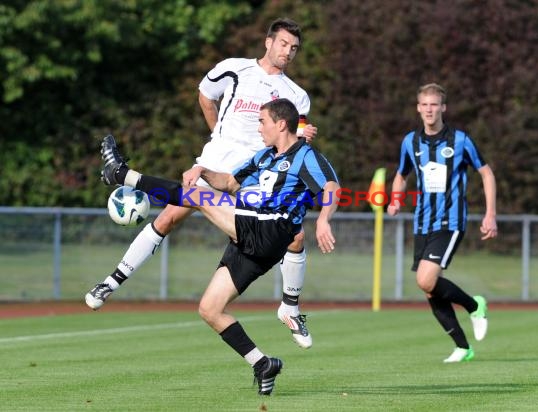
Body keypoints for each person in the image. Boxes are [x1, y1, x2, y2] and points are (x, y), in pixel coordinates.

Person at [85, 18, 318, 349]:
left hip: (249, 180)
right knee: (167, 217)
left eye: (294, 48)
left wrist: (301, 136)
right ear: (268, 42)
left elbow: (292, 142)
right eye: (283, 44)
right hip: (214, 165)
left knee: (294, 236)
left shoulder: (298, 95)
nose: (288, 52)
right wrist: (216, 138)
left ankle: (291, 309)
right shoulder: (234, 69)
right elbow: (205, 97)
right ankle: (111, 282)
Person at [97, 98, 340, 395]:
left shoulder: (305, 155)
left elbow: (331, 187)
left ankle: (121, 174)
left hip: (269, 228)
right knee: (210, 309)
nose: (259, 127)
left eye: (262, 121)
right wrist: (202, 171)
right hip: (250, 239)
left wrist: (324, 219)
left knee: (197, 198)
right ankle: (262, 363)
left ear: (281, 124)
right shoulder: (263, 156)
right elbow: (228, 182)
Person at [387, 83, 498, 363]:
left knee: (425, 278)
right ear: (418, 108)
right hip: (422, 222)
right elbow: (401, 175)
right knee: (428, 288)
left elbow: (486, 174)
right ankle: (463, 347)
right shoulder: (410, 142)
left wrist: (490, 214)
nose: (429, 110)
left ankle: (474, 305)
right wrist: (395, 199)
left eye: (434, 104)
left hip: (450, 220)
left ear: (443, 108)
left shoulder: (460, 140)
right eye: (424, 104)